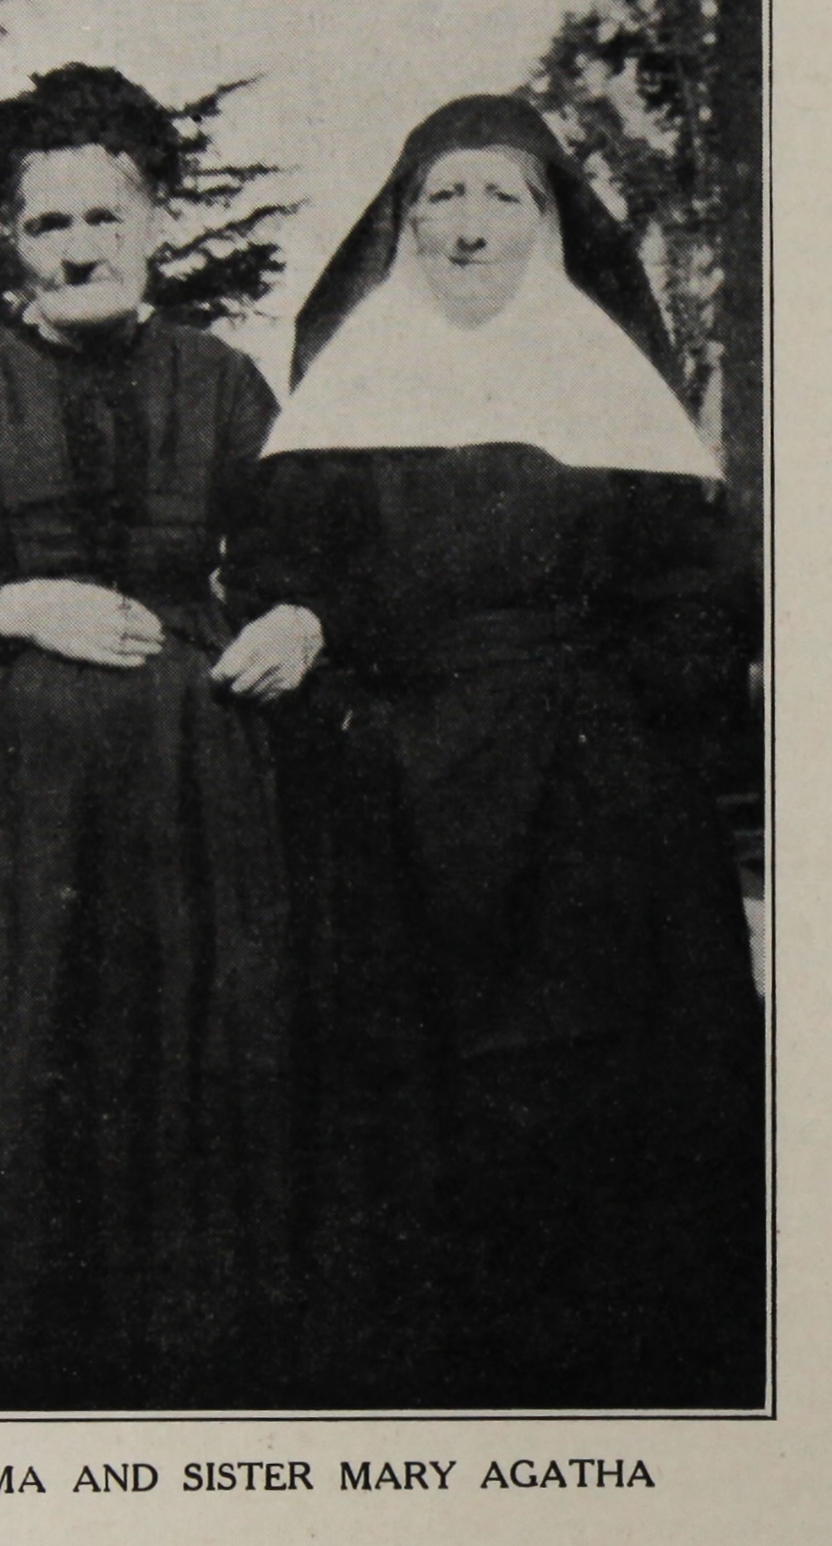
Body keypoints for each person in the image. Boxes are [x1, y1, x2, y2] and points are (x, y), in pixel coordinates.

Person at [214, 95, 767, 1410]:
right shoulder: (345, 399)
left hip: (595, 800)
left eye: (499, 197)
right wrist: (307, 630)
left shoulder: (615, 395)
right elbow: (288, 575)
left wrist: (627, 739)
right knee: (415, 1105)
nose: (468, 227)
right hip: (396, 793)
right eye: (439, 199)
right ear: (400, 229)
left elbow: (693, 601)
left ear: (548, 223)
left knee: (601, 1099)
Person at [0, 65, 291, 1413]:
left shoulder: (223, 382)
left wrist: (293, 616)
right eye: (47, 223)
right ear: (10, 240)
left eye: (106, 216)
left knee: (187, 1064)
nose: (79, 247)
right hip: (3, 812)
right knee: (18, 1062)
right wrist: (15, 605)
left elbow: (297, 559)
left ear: (157, 224)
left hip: (189, 800)